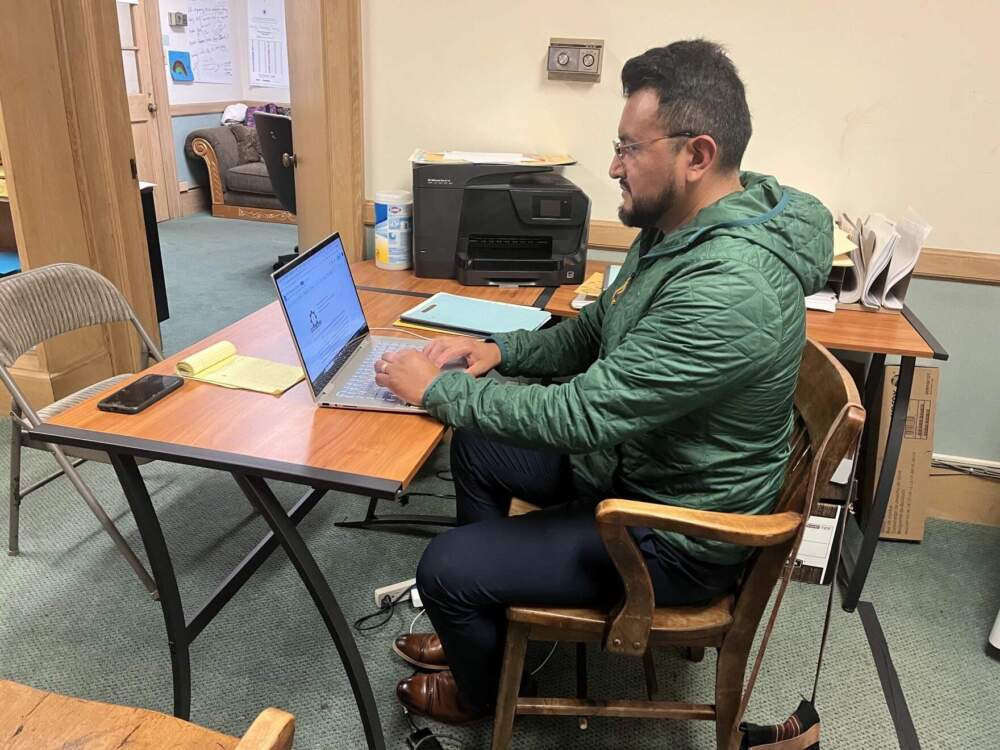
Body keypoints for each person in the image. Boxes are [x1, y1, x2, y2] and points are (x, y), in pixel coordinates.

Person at [373, 39, 832, 725]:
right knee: (475, 447)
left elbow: (586, 416)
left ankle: (479, 692)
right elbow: (599, 330)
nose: (614, 166)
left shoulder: (728, 288)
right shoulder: (682, 227)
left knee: (445, 567)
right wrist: (500, 353)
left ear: (696, 155)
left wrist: (438, 392)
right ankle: (490, 643)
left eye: (628, 148)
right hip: (643, 463)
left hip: (669, 532)